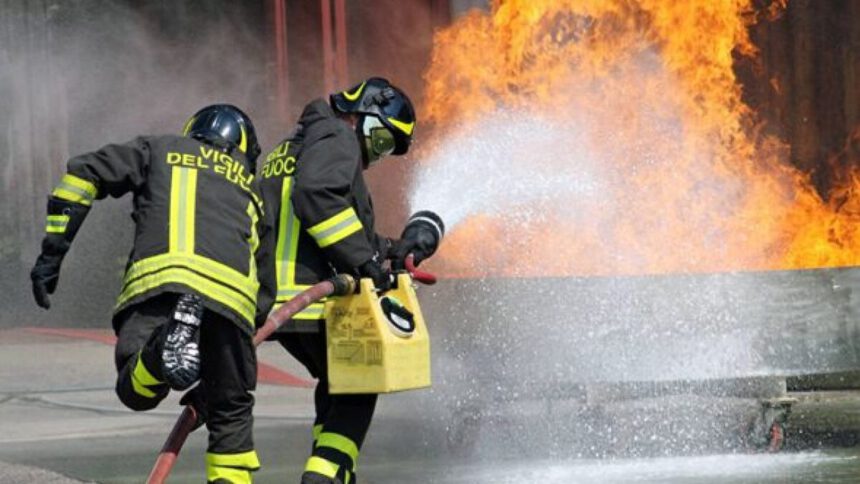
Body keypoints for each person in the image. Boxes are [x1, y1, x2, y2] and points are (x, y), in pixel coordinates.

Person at [30, 104, 275, 484]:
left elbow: (85, 173)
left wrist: (53, 251)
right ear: (244, 149)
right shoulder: (252, 190)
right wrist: (224, 366)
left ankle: (162, 352)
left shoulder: (159, 149)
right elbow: (265, 288)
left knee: (137, 391)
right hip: (230, 304)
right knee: (231, 413)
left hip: (163, 286)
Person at [257, 77, 444, 484]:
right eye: (381, 142)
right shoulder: (335, 135)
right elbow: (317, 198)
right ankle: (323, 478)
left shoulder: (297, 145)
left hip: (282, 299)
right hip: (311, 299)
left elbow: (330, 218)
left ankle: (332, 475)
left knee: (338, 384)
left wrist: (389, 249)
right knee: (360, 383)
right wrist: (364, 261)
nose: (375, 158)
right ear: (363, 115)